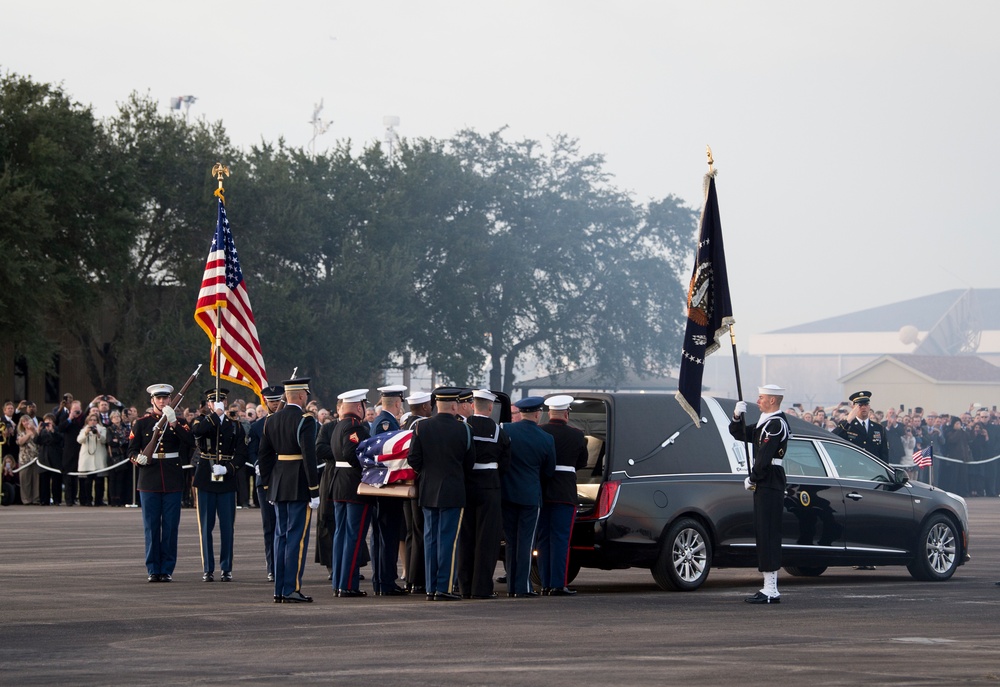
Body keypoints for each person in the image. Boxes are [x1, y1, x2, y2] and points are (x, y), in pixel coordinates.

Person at [407, 387, 476, 601]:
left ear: (437, 405)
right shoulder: (464, 430)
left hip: (428, 489)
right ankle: (443, 588)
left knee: (430, 539)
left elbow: (413, 459)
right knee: (449, 540)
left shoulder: (421, 427)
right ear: (455, 406)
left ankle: (430, 587)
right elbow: (469, 463)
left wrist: (427, 473)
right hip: (454, 490)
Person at [257, 377, 320, 603]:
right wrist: (314, 490)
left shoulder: (271, 420)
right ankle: (291, 588)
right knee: (296, 538)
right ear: (301, 396)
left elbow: (263, 457)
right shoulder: (306, 420)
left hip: (278, 482)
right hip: (299, 484)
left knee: (280, 536)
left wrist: (267, 484)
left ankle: (279, 589)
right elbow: (309, 458)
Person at [127, 384, 194, 582]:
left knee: (171, 526)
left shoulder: (179, 422)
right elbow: (131, 450)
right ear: (152, 401)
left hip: (172, 477)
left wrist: (174, 424)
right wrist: (137, 459)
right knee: (151, 526)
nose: (163, 402)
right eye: (159, 399)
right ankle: (153, 568)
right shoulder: (141, 423)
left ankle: (166, 569)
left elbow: (191, 441)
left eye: (166, 398)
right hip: (149, 478)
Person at [729, 384, 789, 604]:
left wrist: (753, 478)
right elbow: (739, 434)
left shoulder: (776, 424)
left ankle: (771, 589)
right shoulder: (766, 422)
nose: (758, 400)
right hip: (766, 478)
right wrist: (737, 415)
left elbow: (764, 455)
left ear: (773, 400)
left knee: (769, 532)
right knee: (763, 532)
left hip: (769, 477)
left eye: (761, 397)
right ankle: (768, 587)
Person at [501, 396, 556, 598]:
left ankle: (511, 586)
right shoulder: (546, 438)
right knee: (526, 542)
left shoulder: (506, 430)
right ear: (537, 413)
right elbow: (549, 470)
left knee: (510, 541)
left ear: (521, 412)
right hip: (530, 496)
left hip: (507, 493)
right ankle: (522, 586)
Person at [457, 389, 510, 599]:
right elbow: (505, 464)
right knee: (487, 540)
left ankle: (464, 586)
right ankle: (482, 588)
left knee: (466, 537)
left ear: (472, 405)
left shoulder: (463, 428)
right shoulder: (499, 431)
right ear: (490, 407)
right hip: (490, 488)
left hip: (466, 486)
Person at [191, 387, 247, 582]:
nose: (218, 404)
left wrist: (229, 468)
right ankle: (208, 568)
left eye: (221, 401)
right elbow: (197, 431)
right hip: (206, 476)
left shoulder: (235, 426)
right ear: (208, 405)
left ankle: (226, 567)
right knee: (205, 526)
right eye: (214, 402)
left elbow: (241, 454)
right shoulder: (201, 421)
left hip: (226, 477)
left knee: (227, 527)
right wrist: (214, 416)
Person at [538, 394, 589, 596]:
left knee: (543, 540)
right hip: (565, 493)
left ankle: (544, 583)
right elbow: (582, 463)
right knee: (561, 540)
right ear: (567, 413)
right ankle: (558, 584)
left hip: (542, 491)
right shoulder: (577, 435)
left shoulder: (541, 432)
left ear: (549, 413)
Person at [329, 388, 374, 598]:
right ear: (359, 407)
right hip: (353, 486)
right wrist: (367, 470)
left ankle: (339, 582)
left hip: (338, 483)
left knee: (341, 535)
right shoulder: (356, 427)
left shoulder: (338, 425)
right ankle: (348, 585)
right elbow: (350, 453)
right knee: (353, 537)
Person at [369, 384, 408, 596]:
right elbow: (389, 456)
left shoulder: (385, 421)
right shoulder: (386, 423)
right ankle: (386, 582)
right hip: (387, 487)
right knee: (387, 536)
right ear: (397, 402)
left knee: (382, 536)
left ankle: (382, 581)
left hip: (381, 486)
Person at [247, 385, 283, 582]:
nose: (275, 403)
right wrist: (257, 464)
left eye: (278, 400)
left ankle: (285, 564)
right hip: (266, 480)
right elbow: (252, 451)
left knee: (285, 525)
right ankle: (272, 566)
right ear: (266, 402)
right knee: (269, 525)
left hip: (285, 477)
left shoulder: (287, 421)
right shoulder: (256, 426)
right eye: (272, 401)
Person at [401, 390, 432, 594]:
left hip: (405, 484)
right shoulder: (420, 426)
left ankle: (411, 579)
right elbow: (415, 457)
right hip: (417, 483)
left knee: (412, 532)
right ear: (423, 407)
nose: (432, 408)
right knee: (419, 531)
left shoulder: (405, 424)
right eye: (430, 405)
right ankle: (418, 580)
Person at [832, 391, 890, 462]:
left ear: (869, 407)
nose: (863, 407)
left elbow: (883, 453)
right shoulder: (847, 425)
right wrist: (848, 420)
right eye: (860, 405)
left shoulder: (878, 428)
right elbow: (833, 437)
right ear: (853, 407)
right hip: (852, 467)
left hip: (873, 469)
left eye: (866, 404)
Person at [77, 411, 108, 506]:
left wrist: (98, 434)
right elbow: (79, 440)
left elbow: (105, 440)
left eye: (95, 420)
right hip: (87, 459)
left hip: (98, 458)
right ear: (88, 421)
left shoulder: (102, 429)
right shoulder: (83, 430)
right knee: (87, 482)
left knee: (99, 482)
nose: (93, 422)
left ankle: (99, 500)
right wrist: (86, 433)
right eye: (91, 420)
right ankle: (88, 500)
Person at [36, 414, 64, 506]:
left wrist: (52, 431)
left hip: (55, 457)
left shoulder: (58, 430)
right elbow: (37, 441)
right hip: (44, 457)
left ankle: (57, 499)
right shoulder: (42, 432)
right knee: (44, 480)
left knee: (56, 480)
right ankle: (44, 499)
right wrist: (38, 431)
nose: (48, 422)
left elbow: (59, 439)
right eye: (46, 420)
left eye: (50, 420)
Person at [105, 410, 131, 506]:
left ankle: (119, 498)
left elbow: (127, 440)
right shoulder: (109, 429)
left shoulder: (124, 428)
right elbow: (110, 441)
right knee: (112, 479)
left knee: (120, 479)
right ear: (111, 419)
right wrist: (120, 441)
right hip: (113, 456)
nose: (117, 419)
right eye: (114, 417)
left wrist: (119, 440)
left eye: (118, 416)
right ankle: (113, 499)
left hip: (122, 456)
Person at [16, 414, 40, 505]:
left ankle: (35, 499)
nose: (26, 423)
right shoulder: (20, 432)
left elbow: (38, 440)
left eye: (27, 420)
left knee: (36, 480)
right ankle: (26, 499)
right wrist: (28, 434)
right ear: (21, 423)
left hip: (35, 458)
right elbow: (20, 442)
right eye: (24, 421)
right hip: (24, 459)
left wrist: (32, 431)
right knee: (25, 480)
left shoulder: (36, 430)